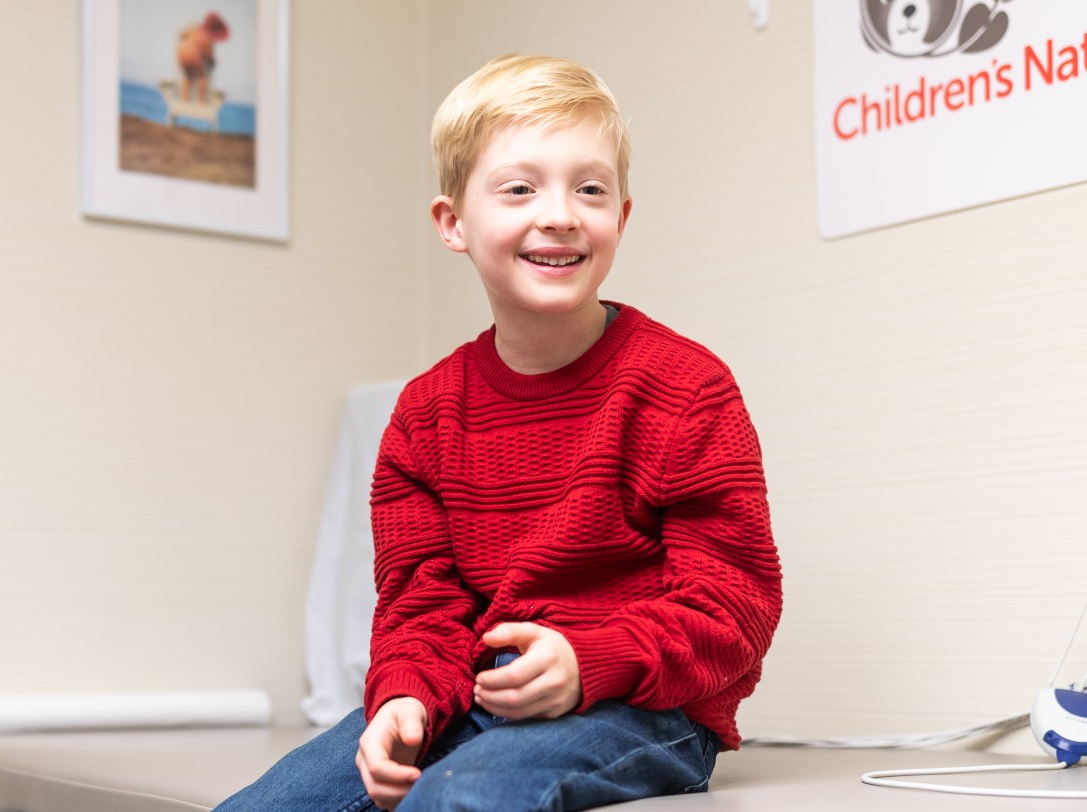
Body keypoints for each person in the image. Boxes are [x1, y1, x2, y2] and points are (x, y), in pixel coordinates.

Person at [216, 54, 782, 812]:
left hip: (647, 707)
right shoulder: (423, 414)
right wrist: (405, 700)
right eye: (520, 188)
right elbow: (420, 604)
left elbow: (734, 604)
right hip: (476, 699)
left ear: (621, 215)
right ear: (453, 223)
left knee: (464, 798)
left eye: (589, 188)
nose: (559, 213)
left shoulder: (685, 389)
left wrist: (590, 660)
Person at [177, 11, 229, 103]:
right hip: (193, 55)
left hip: (181, 53)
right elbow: (209, 54)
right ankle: (201, 100)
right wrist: (212, 60)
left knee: (188, 77)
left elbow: (182, 34)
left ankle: (184, 99)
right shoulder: (208, 37)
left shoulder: (194, 28)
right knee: (202, 77)